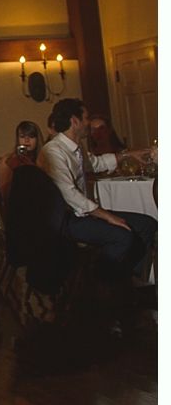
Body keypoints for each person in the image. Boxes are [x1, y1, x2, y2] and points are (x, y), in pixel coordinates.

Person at [38, 98, 156, 289]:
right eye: (86, 118)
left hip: (82, 216)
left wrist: (129, 155)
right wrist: (108, 216)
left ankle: (133, 282)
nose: (88, 124)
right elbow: (70, 195)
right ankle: (97, 285)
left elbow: (97, 163)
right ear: (74, 121)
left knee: (147, 224)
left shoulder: (76, 147)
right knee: (122, 236)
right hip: (64, 220)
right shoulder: (53, 151)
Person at [0, 120, 43, 204]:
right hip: (18, 205)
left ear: (37, 139)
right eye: (22, 136)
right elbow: (4, 193)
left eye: (31, 136)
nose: (26, 140)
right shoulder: (9, 161)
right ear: (17, 139)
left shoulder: (43, 159)